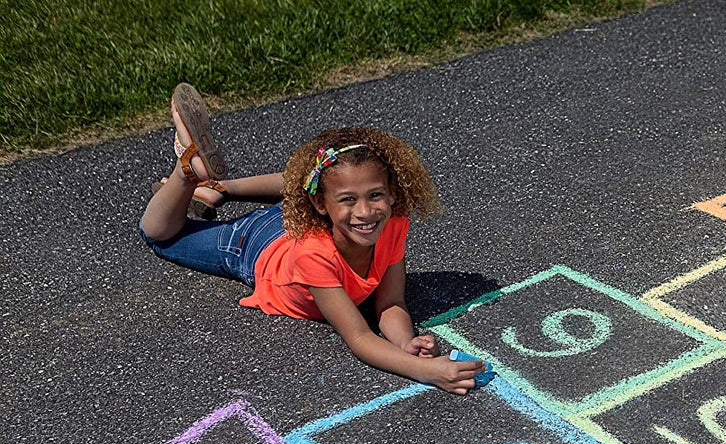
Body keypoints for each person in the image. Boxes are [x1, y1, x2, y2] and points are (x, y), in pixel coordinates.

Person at [139, 83, 486, 394]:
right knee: (159, 235)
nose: (366, 212)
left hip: (304, 219)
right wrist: (425, 371)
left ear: (393, 194)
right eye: (350, 200)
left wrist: (406, 342)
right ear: (319, 204)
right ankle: (186, 174)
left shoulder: (392, 223)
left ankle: (218, 188)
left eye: (376, 195)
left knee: (323, 179)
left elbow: (390, 304)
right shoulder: (314, 254)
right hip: (253, 245)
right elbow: (359, 336)